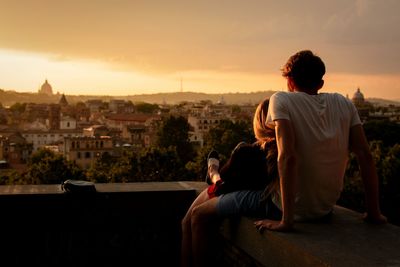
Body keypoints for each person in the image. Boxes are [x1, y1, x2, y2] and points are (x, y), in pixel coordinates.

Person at [253, 50, 387, 232]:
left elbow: (288, 157)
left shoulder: (281, 99)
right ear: (321, 83)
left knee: (204, 210)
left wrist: (287, 221)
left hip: (284, 207)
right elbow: (365, 155)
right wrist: (374, 212)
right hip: (324, 209)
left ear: (290, 81)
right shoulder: (345, 103)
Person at [181, 98, 281, 267]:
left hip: (233, 186)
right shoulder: (283, 151)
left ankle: (212, 171)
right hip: (264, 195)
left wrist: (215, 173)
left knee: (187, 222)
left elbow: (222, 187)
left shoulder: (249, 153)